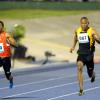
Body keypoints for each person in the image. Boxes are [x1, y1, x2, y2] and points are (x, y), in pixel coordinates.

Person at [70, 17, 100, 96]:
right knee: (79, 67)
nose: (83, 25)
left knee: (89, 73)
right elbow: (76, 38)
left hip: (89, 55)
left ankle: (92, 74)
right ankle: (81, 89)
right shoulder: (78, 30)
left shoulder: (92, 31)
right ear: (80, 23)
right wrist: (73, 47)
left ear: (88, 23)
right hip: (81, 54)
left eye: (85, 23)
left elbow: (99, 41)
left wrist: (95, 38)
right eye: (82, 23)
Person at [0, 21, 17, 88]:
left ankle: (11, 79)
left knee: (8, 75)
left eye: (0, 26)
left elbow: (15, 44)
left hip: (6, 58)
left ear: (2, 27)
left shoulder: (6, 35)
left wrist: (10, 42)